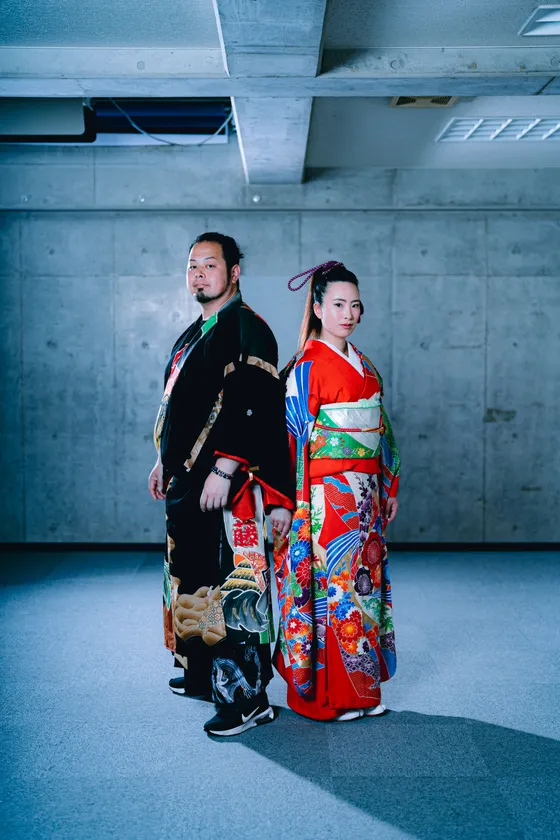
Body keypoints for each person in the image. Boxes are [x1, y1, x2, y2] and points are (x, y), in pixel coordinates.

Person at [149, 232, 293, 736]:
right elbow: (177, 406)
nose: (199, 273)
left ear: (234, 272)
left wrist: (224, 467)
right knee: (192, 576)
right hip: (189, 481)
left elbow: (254, 404)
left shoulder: (248, 328)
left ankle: (247, 699)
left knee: (236, 586)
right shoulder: (195, 332)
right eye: (192, 265)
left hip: (229, 486)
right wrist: (162, 460)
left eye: (210, 265)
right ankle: (204, 672)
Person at [273, 261, 400, 721]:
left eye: (355, 305)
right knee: (334, 594)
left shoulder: (364, 365)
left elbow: (381, 429)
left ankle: (361, 694)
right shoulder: (306, 367)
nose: (349, 314)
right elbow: (290, 441)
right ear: (318, 307)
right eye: (339, 304)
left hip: (366, 495)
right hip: (324, 497)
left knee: (363, 588)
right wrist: (289, 504)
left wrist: (388, 483)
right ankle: (326, 699)